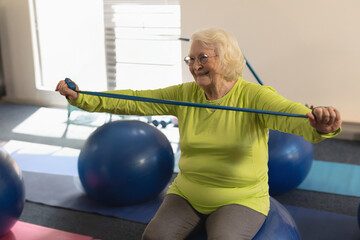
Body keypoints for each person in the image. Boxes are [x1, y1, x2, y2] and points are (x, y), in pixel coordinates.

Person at [56, 28, 342, 240]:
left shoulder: (254, 96)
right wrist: (82, 98)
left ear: (226, 58)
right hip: (188, 192)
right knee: (152, 238)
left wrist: (320, 126)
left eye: (202, 57)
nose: (194, 66)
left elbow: (291, 115)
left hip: (240, 197)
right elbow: (135, 99)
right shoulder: (186, 94)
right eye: (190, 59)